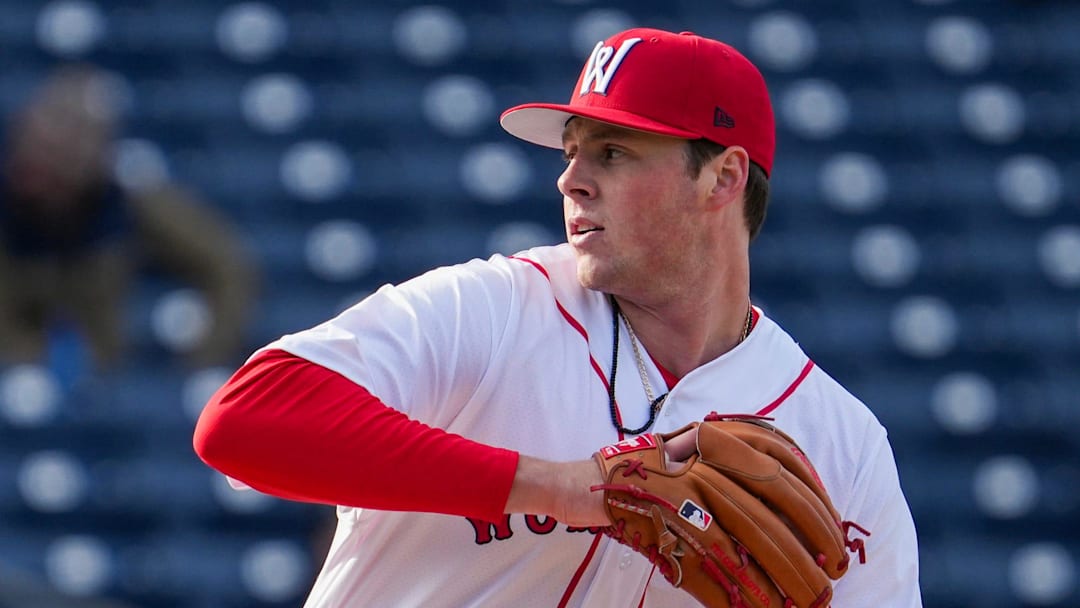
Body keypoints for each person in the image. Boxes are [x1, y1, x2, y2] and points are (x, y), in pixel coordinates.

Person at [194, 28, 922, 606]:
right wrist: (560, 488)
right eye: (573, 150)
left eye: (613, 151)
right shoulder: (500, 309)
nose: (571, 178)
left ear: (723, 177)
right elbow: (244, 419)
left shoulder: (841, 445)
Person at [0, 64, 258, 373]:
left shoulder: (129, 206)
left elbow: (228, 266)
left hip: (110, 369)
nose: (41, 161)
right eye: (35, 142)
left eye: (63, 150)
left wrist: (201, 360)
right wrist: (37, 362)